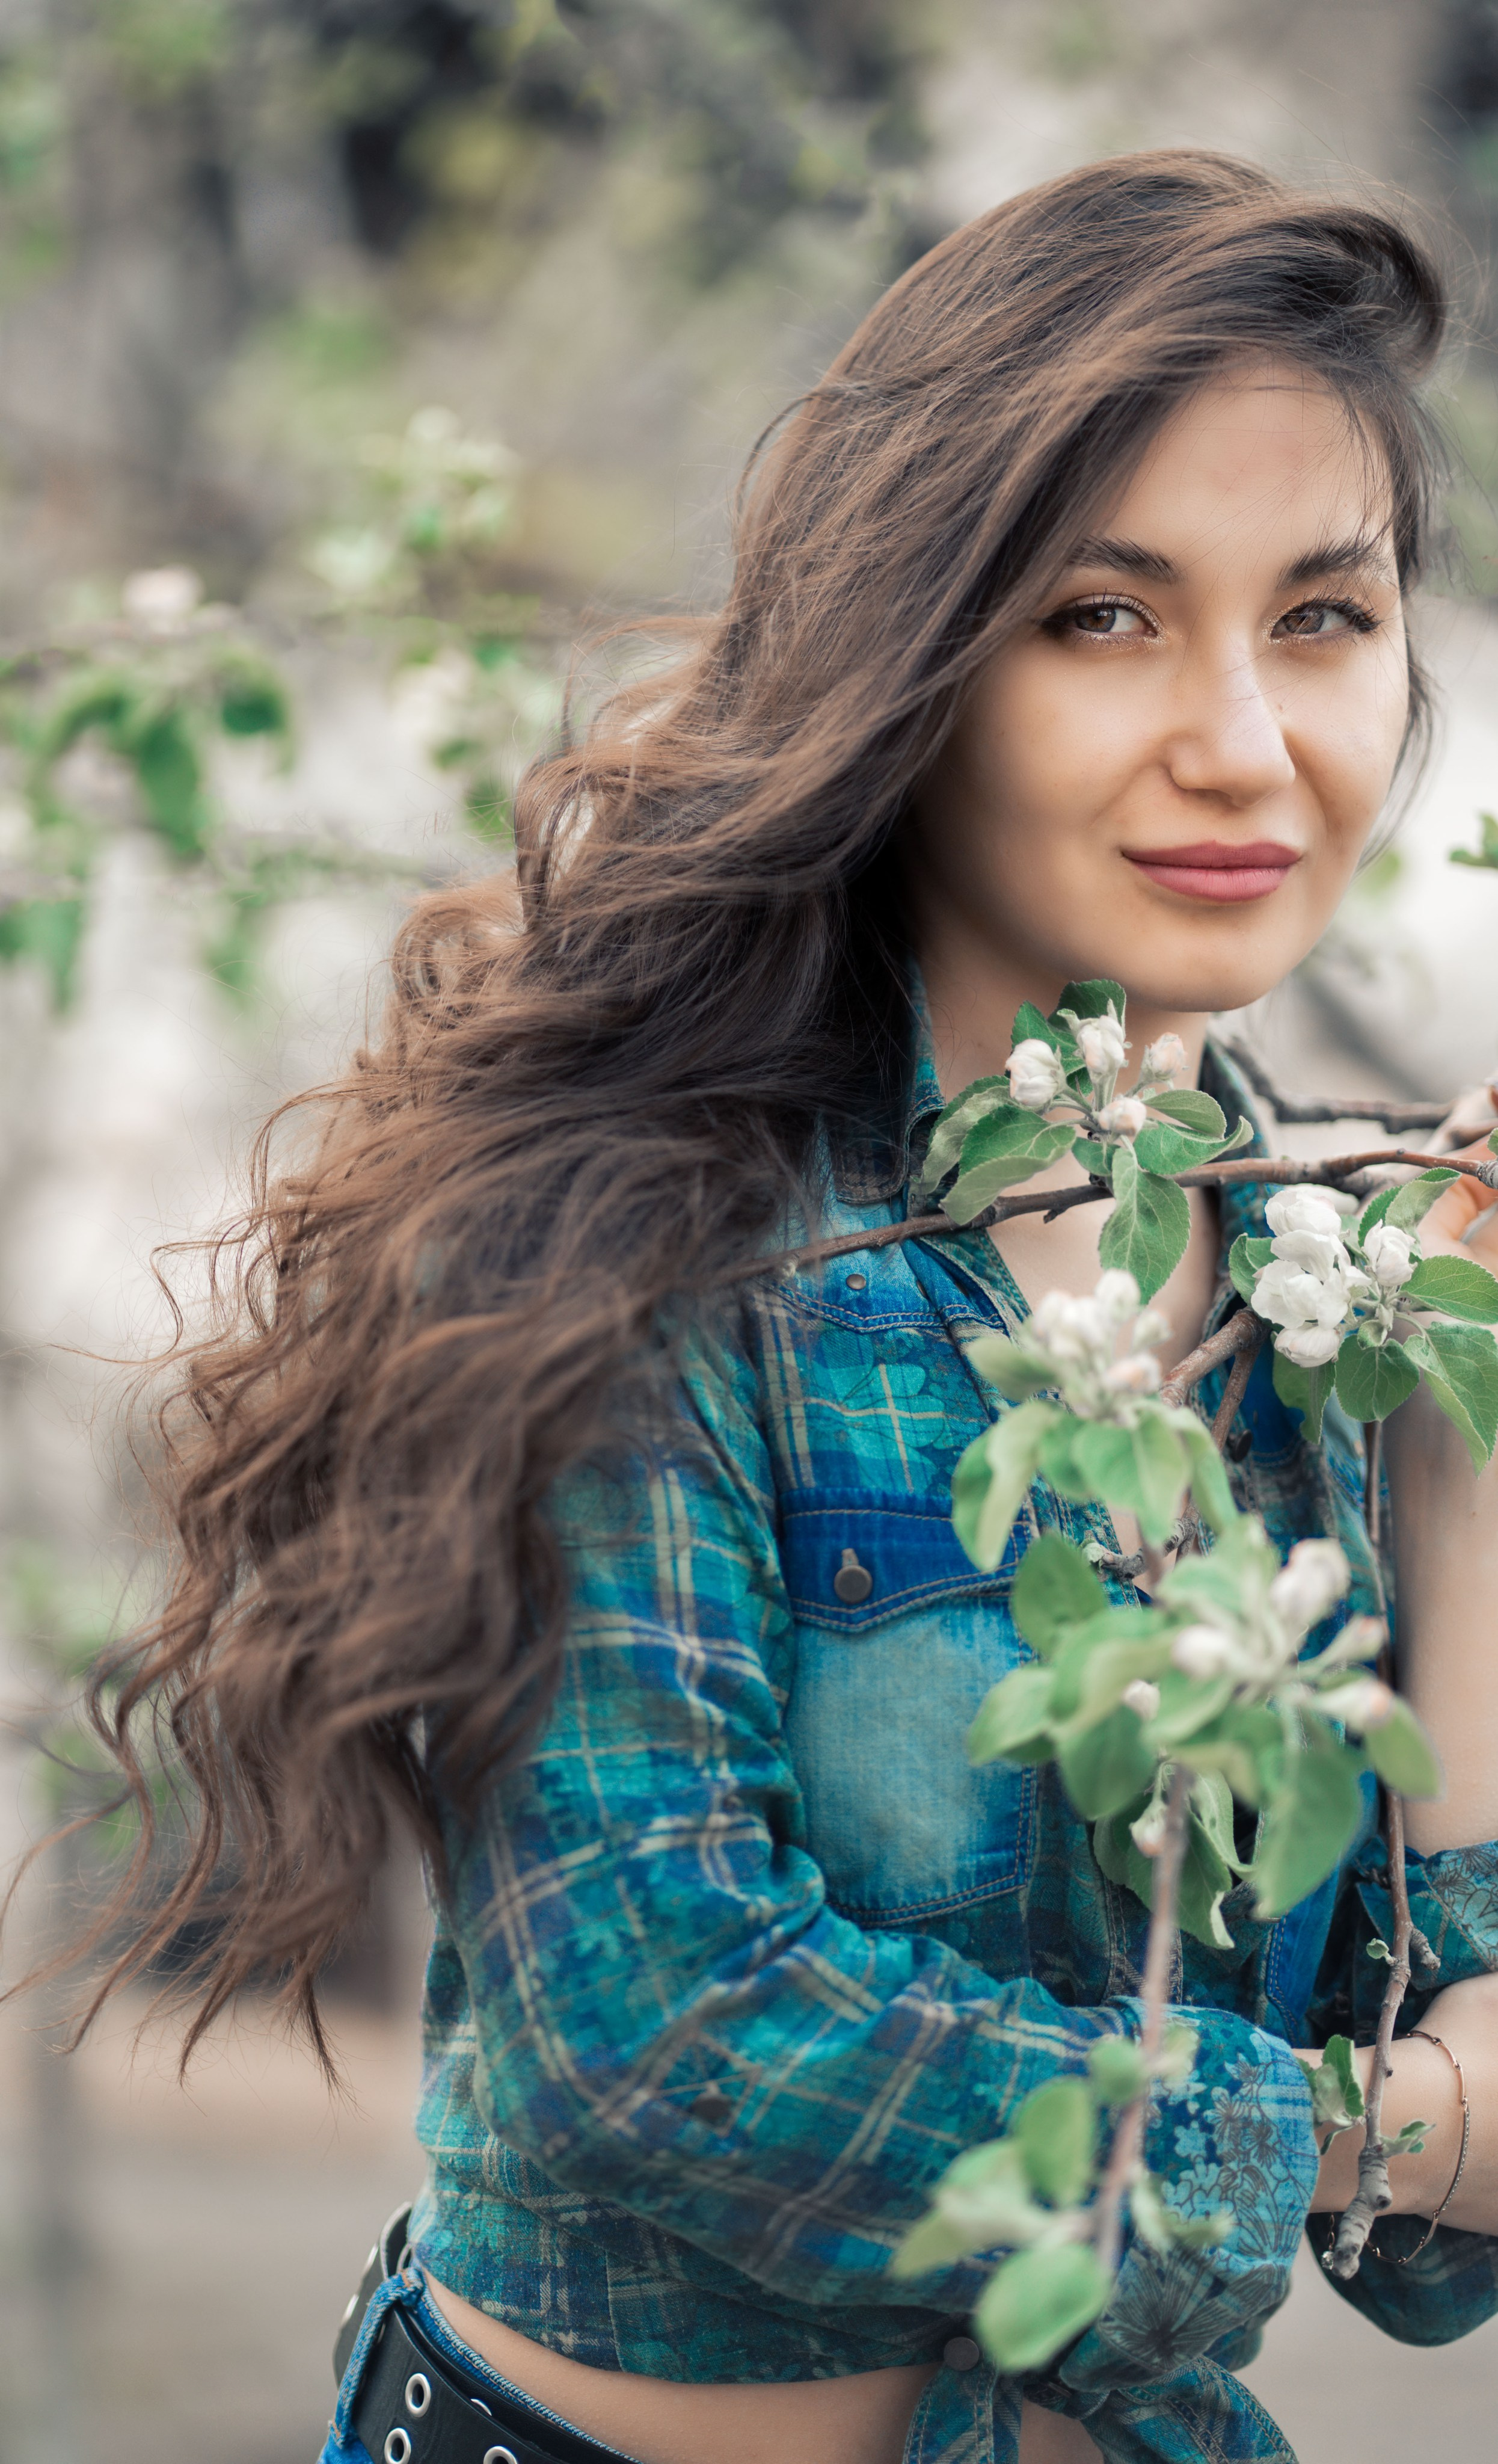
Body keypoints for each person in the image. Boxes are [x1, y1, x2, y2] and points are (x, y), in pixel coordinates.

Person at [82, 150, 1498, 2464]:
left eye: (1322, 619)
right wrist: (1360, 2124)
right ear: (917, 655)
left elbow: (1447, 2257)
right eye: (1105, 618)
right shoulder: (638, 1231)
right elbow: (658, 2031)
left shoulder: (1331, 1282)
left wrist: (1462, 1478)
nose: (1246, 740)